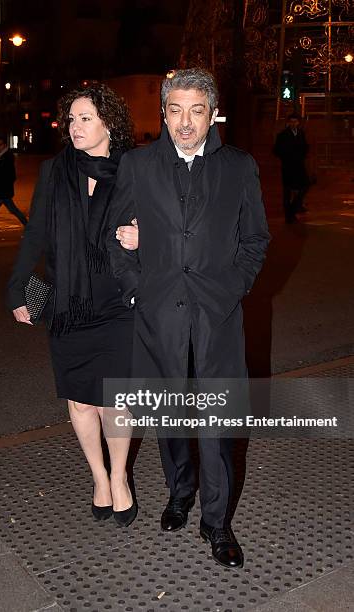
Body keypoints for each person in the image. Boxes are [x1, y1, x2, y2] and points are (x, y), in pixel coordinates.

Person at [108, 68, 271, 567]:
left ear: (212, 114)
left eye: (196, 111)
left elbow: (255, 239)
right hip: (159, 316)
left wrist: (233, 289)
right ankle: (180, 493)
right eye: (175, 110)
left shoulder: (239, 167)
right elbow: (117, 235)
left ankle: (217, 524)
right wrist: (137, 294)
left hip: (217, 317)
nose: (185, 122)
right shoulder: (138, 165)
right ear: (163, 113)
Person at [6, 84, 139, 527]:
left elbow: (163, 227)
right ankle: (99, 478)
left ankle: (120, 478)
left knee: (116, 399)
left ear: (108, 123)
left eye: (85, 118)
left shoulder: (134, 169)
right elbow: (36, 235)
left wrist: (146, 238)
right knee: (82, 402)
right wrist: (17, 290)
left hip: (119, 301)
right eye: (71, 119)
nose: (74, 127)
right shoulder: (53, 171)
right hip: (68, 304)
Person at [273, 113, 309, 223]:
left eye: (295, 122)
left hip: (299, 165)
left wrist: (302, 154)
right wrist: (286, 157)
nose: (293, 124)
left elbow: (305, 147)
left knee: (304, 186)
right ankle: (289, 215)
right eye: (291, 122)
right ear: (288, 123)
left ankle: (292, 210)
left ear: (298, 122)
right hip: (288, 166)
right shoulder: (282, 135)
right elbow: (276, 150)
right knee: (287, 191)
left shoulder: (301, 133)